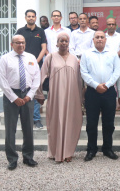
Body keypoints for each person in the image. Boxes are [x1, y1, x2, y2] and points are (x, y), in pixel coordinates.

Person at [35, 32, 83, 163]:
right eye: (61, 41)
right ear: (56, 43)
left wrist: (81, 98)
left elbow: (79, 80)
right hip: (56, 96)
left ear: (69, 43)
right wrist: (39, 94)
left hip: (72, 96)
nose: (63, 43)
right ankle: (55, 152)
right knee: (56, 121)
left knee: (72, 121)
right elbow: (41, 76)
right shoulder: (50, 57)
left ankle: (68, 152)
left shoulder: (74, 59)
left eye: (66, 41)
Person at [0, 35, 40, 170]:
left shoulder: (31, 58)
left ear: (25, 44)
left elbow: (36, 78)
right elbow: (2, 80)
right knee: (10, 129)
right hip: (11, 95)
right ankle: (12, 159)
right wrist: (13, 97)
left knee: (28, 128)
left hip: (28, 95)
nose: (20, 45)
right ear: (12, 44)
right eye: (17, 43)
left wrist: (29, 96)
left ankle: (28, 157)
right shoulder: (5, 59)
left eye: (22, 42)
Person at [80, 31, 120, 161]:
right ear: (93, 40)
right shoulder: (86, 54)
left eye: (102, 37)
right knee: (91, 123)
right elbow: (84, 73)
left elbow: (117, 72)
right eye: (97, 37)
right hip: (92, 92)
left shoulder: (113, 53)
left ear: (105, 39)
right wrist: (96, 85)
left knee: (109, 123)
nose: (99, 39)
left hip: (108, 92)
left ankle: (107, 148)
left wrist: (107, 85)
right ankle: (91, 149)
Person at [16, 9, 47, 130]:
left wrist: (35, 62)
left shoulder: (40, 31)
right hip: (22, 67)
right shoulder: (20, 31)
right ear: (25, 18)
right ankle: (24, 119)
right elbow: (16, 47)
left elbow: (44, 48)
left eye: (33, 16)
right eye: (29, 16)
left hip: (36, 67)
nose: (31, 18)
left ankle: (36, 119)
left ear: (35, 18)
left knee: (35, 92)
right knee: (22, 91)